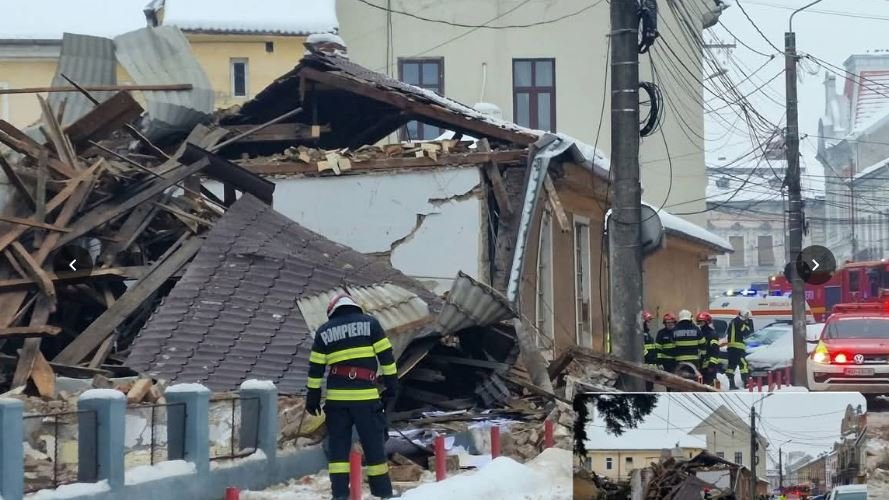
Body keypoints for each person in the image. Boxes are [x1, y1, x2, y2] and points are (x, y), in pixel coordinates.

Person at [306, 292, 399, 500]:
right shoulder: (371, 324)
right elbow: (386, 356)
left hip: (337, 402)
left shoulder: (324, 331)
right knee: (374, 449)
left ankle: (340, 495)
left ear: (332, 310)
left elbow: (315, 368)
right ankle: (382, 493)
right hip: (366, 400)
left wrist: (313, 395)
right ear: (355, 306)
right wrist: (392, 385)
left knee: (338, 451)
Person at [725, 308, 753, 390]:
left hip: (731, 347)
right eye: (748, 318)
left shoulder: (734, 321)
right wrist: (750, 323)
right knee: (743, 364)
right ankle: (746, 382)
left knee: (732, 366)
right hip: (738, 348)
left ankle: (731, 384)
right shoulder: (740, 322)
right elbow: (748, 332)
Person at [672, 310, 705, 374]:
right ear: (690, 318)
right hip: (694, 360)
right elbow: (703, 345)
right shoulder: (696, 329)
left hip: (679, 360)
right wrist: (702, 358)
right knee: (693, 377)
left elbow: (672, 346)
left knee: (680, 378)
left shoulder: (675, 330)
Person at [696, 311, 721, 386]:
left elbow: (715, 351)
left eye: (701, 322)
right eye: (699, 322)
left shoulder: (712, 335)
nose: (700, 324)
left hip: (709, 367)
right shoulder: (699, 333)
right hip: (700, 366)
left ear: (707, 322)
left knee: (709, 386)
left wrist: (711, 365)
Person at [642, 311, 656, 391]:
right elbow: (640, 347)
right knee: (647, 386)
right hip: (645, 363)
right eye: (647, 321)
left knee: (650, 386)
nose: (648, 323)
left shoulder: (646, 333)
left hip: (650, 363)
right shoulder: (640, 333)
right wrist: (647, 355)